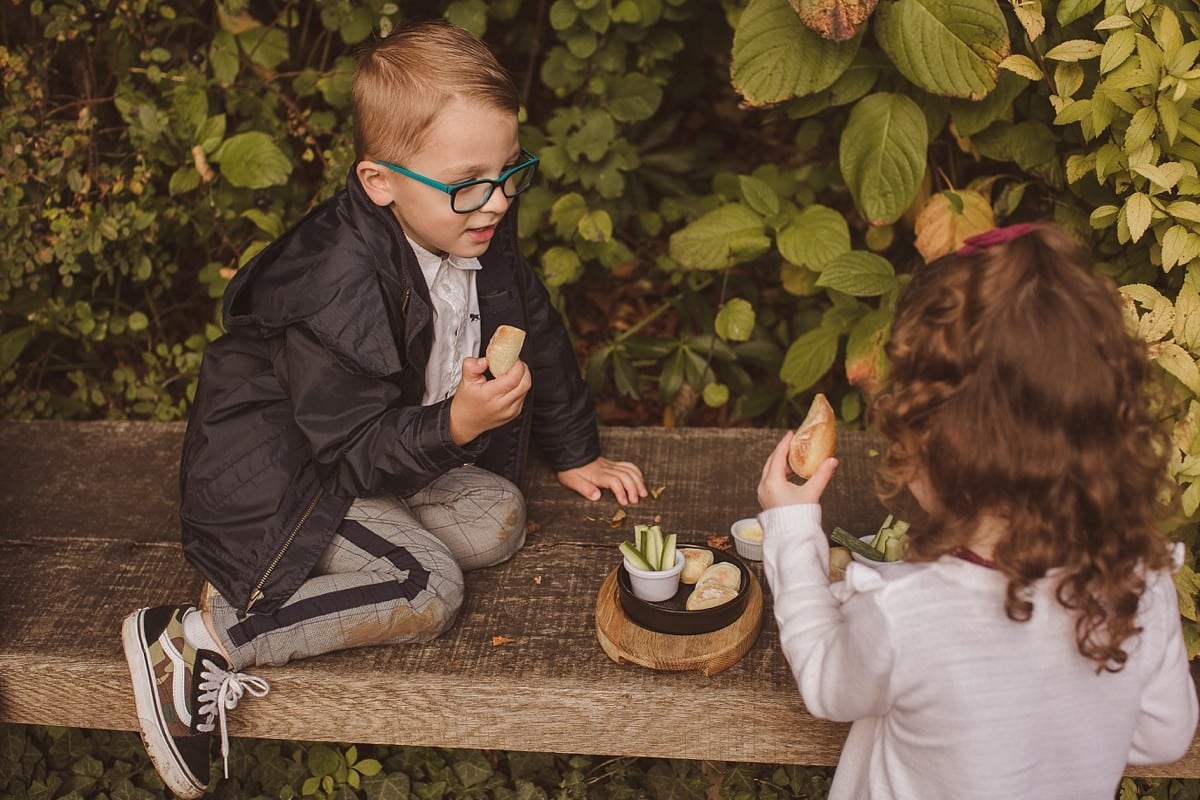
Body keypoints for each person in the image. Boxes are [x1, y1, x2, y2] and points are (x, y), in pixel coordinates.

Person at [120, 19, 646, 799]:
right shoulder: (337, 282)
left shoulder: (472, 222)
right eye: (471, 181)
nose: (498, 201)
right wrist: (458, 425)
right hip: (290, 481)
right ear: (380, 181)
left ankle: (310, 575)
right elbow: (348, 451)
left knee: (499, 515)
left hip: (375, 461)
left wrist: (572, 451)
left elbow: (538, 330)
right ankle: (202, 637)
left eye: (511, 172)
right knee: (428, 588)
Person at [756, 222, 1198, 799]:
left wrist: (790, 530)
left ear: (935, 446)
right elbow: (1164, 735)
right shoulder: (1140, 582)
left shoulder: (905, 615)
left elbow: (825, 681)